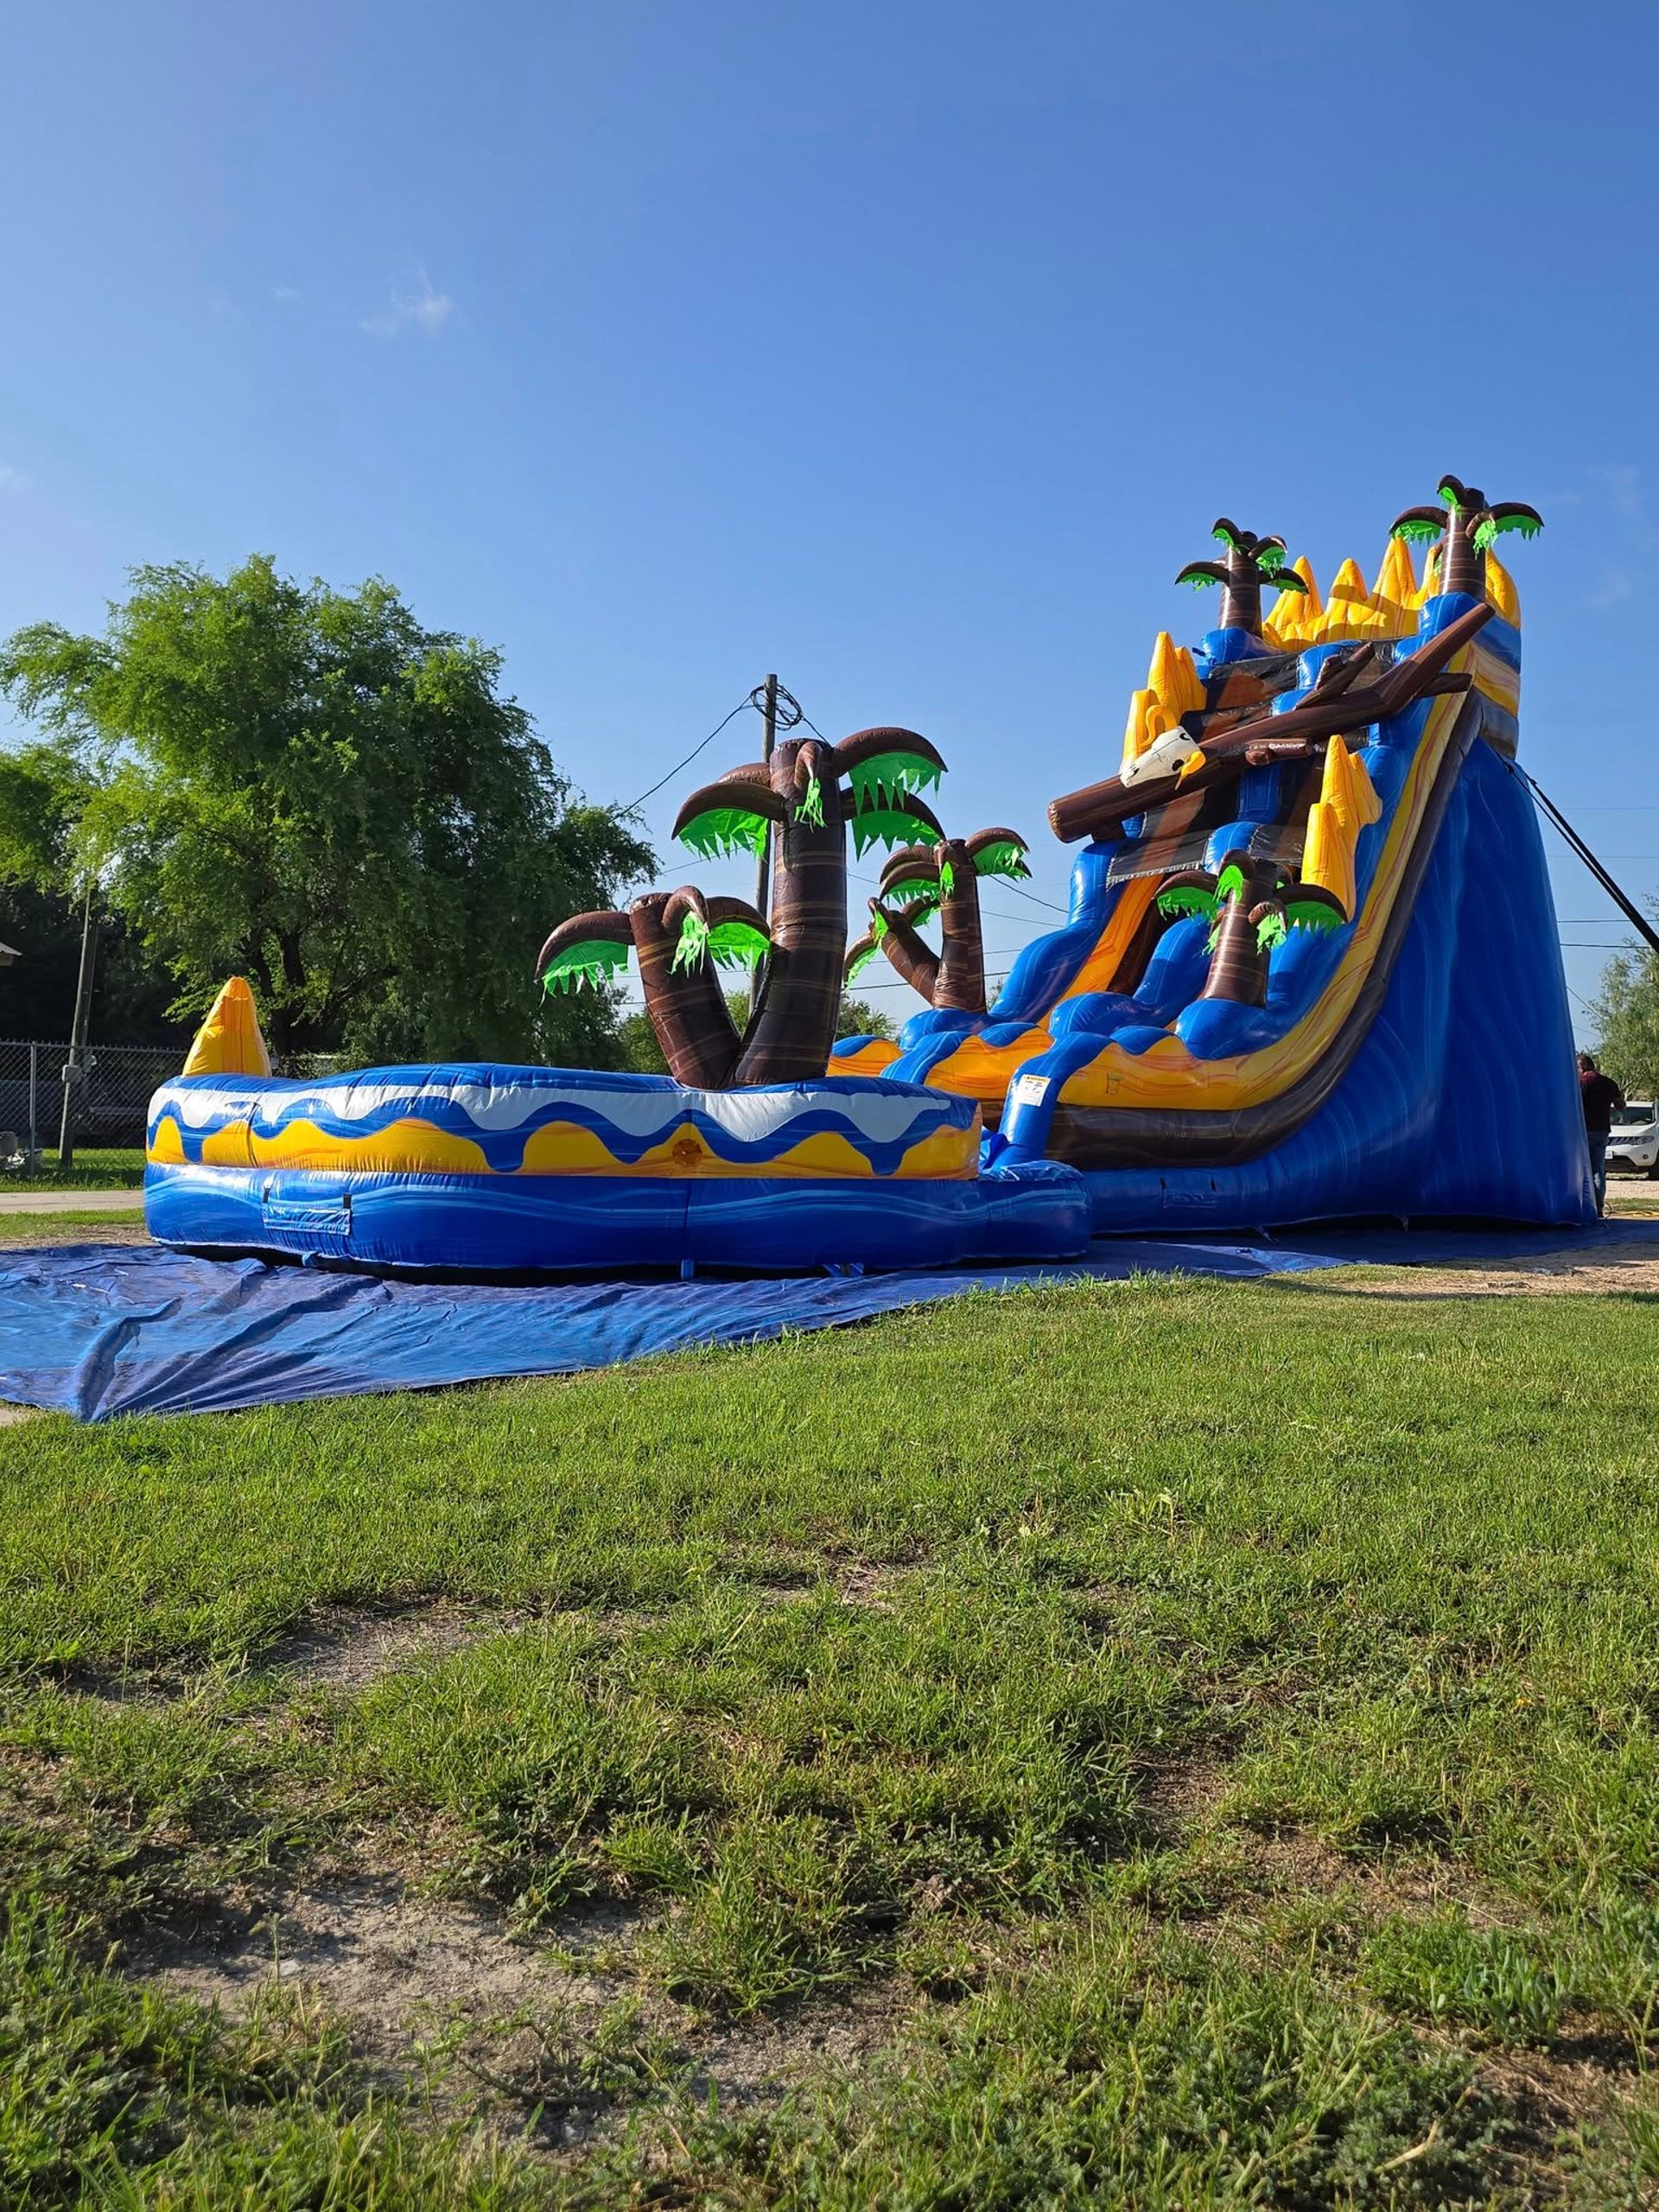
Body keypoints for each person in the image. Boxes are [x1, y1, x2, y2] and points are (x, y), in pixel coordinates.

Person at [1579, 1052, 1625, 1217]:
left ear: (1581, 1067)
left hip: (1581, 1131)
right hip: (1601, 1131)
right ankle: (1597, 1209)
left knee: (1577, 1169)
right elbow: (1620, 1105)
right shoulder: (1609, 1083)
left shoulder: (1580, 1082)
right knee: (1598, 1169)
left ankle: (1580, 1206)